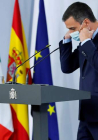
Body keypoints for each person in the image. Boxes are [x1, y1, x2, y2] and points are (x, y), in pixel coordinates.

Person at [59, 2, 98, 140]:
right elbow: (67, 67)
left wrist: (86, 42)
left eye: (72, 28)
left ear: (86, 22)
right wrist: (67, 40)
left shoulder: (87, 42)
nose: (71, 32)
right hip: (86, 114)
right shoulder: (86, 42)